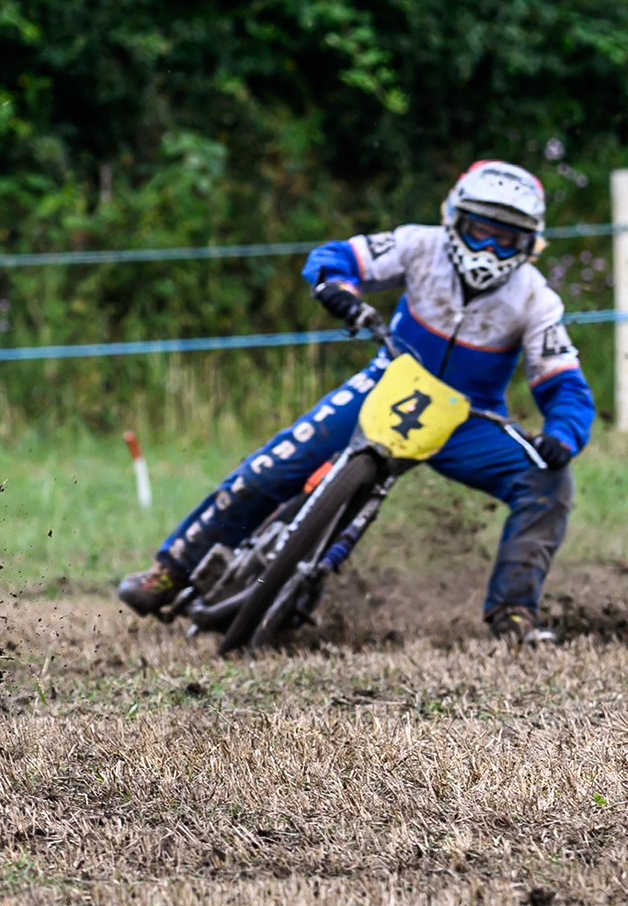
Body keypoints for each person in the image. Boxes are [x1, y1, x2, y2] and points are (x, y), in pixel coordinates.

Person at [118, 160, 594, 641]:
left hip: (466, 419)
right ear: (454, 220)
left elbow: (565, 384)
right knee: (272, 466)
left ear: (530, 244)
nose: (488, 249)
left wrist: (561, 436)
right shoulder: (418, 245)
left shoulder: (537, 300)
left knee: (549, 482)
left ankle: (513, 613)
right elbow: (339, 256)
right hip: (386, 382)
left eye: (505, 239)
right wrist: (335, 286)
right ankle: (172, 569)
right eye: (478, 232)